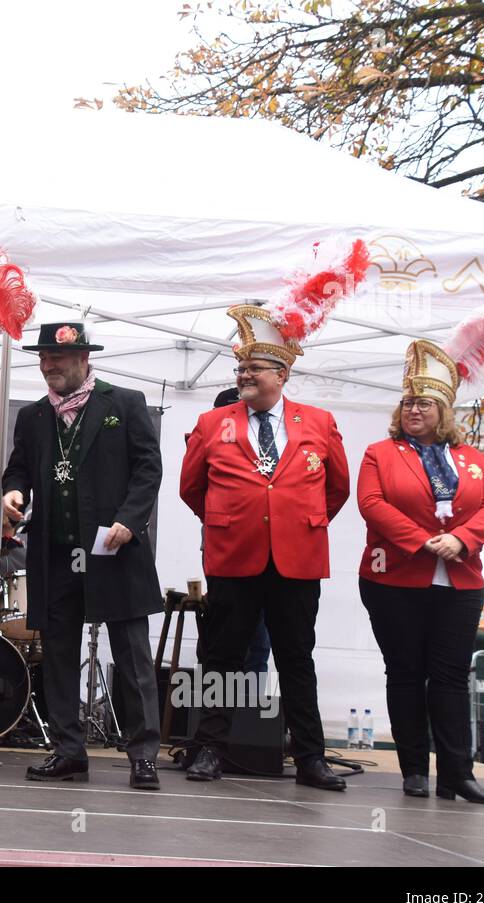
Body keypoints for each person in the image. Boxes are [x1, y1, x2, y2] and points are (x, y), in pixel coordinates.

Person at [0, 321, 165, 789]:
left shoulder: (123, 403)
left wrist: (131, 518)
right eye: (43, 360)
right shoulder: (34, 417)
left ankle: (143, 755)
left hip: (114, 549)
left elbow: (149, 467)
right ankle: (69, 751)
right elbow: (17, 470)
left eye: (57, 360)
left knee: (132, 657)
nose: (48, 367)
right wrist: (13, 494)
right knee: (59, 654)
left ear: (83, 359)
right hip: (55, 553)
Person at [179, 302, 351, 790]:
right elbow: (191, 487)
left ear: (282, 373)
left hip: (297, 561)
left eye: (253, 368)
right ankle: (210, 749)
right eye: (240, 368)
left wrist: (301, 524)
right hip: (233, 559)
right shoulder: (214, 424)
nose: (243, 375)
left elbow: (336, 487)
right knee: (223, 658)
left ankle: (311, 758)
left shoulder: (318, 421)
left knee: (296, 658)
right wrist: (231, 523)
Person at [358, 333, 484, 805]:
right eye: (407, 402)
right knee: (404, 672)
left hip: (460, 582)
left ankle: (456, 774)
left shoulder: (473, 459)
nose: (414, 410)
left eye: (423, 403)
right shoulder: (380, 453)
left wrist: (462, 540)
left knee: (448, 677)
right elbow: (372, 503)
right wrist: (423, 541)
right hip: (394, 579)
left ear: (444, 410)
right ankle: (413, 771)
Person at [212, 386, 270, 673]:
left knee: (260, 638)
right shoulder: (214, 437)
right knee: (227, 635)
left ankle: (254, 712)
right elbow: (194, 489)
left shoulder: (271, 442)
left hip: (268, 551)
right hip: (226, 550)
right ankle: (223, 711)